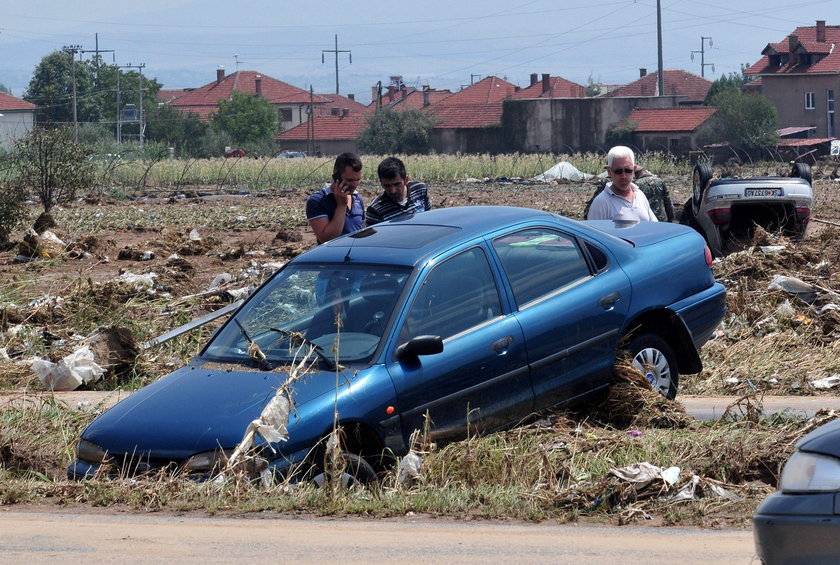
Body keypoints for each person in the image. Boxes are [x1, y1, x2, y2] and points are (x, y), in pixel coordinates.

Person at [586, 146, 658, 223]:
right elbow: (594, 233)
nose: (623, 176)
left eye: (628, 170)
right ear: (609, 171)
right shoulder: (601, 203)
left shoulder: (639, 195)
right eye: (618, 171)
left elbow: (654, 227)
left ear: (634, 170)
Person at [306, 152, 365, 244]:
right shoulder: (317, 201)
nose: (355, 185)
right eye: (350, 180)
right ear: (335, 173)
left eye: (358, 180)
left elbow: (363, 233)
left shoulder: (358, 199)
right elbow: (327, 239)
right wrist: (341, 206)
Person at [365, 157, 431, 226]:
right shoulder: (375, 209)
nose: (393, 191)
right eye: (387, 186)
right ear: (381, 182)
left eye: (397, 184)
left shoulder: (420, 190)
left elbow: (428, 219)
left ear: (406, 180)